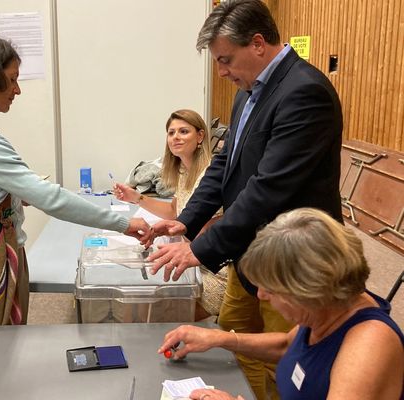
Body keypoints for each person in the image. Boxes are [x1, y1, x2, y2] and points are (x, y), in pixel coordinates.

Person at [142, 1, 343, 398]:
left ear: (257, 44)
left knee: (287, 357)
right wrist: (188, 220)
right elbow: (225, 167)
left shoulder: (305, 92)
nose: (221, 71)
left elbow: (268, 188)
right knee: (233, 338)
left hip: (291, 260)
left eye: (225, 59)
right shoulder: (249, 90)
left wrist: (200, 248)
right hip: (248, 251)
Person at [0, 34, 150, 357]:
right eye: (11, 81)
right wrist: (121, 223)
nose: (17, 90)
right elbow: (53, 199)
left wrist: (11, 192)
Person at [158, 208, 404, 400]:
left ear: (309, 288)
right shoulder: (328, 309)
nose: (262, 295)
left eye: (271, 288)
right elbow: (289, 344)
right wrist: (219, 339)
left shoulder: (369, 345)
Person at [113, 109, 227, 317]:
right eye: (171, 133)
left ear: (200, 136)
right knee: (136, 297)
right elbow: (175, 211)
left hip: (212, 269)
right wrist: (135, 197)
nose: (176, 137)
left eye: (184, 131)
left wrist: (172, 242)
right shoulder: (184, 171)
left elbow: (213, 225)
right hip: (192, 256)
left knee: (150, 306)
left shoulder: (210, 174)